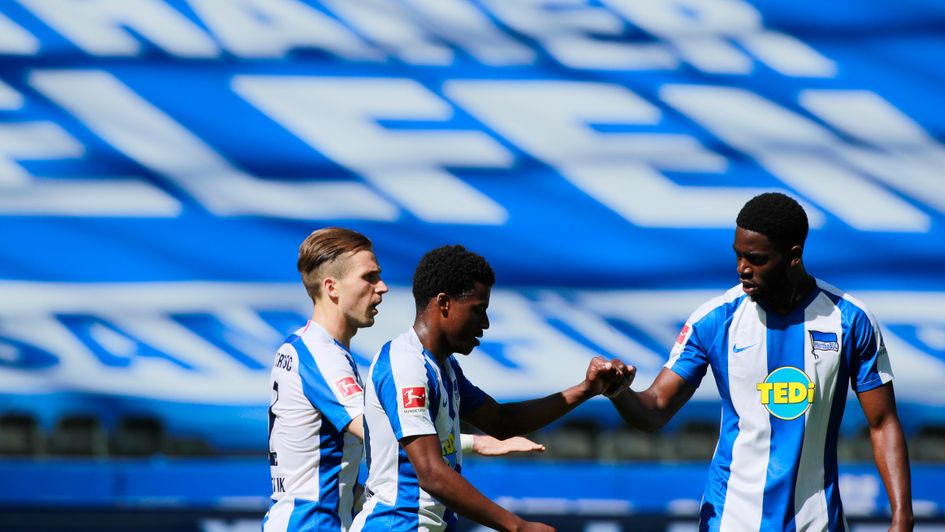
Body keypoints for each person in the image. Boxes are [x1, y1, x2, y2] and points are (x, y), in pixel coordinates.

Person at [605, 193, 914, 531]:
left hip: (817, 520)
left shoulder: (850, 320)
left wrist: (902, 515)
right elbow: (655, 408)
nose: (742, 269)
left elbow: (883, 422)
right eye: (738, 256)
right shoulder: (715, 320)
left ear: (793, 256)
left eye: (756, 259)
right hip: (731, 518)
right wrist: (619, 392)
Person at [263, 228, 544, 532]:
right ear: (332, 287)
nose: (381, 287)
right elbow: (379, 430)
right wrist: (474, 443)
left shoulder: (312, 351)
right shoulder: (320, 356)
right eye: (369, 278)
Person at [351, 245, 627, 532]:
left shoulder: (443, 367)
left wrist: (586, 389)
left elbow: (501, 421)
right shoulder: (405, 365)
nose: (485, 323)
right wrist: (517, 526)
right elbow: (432, 474)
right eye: (478, 310)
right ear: (444, 303)